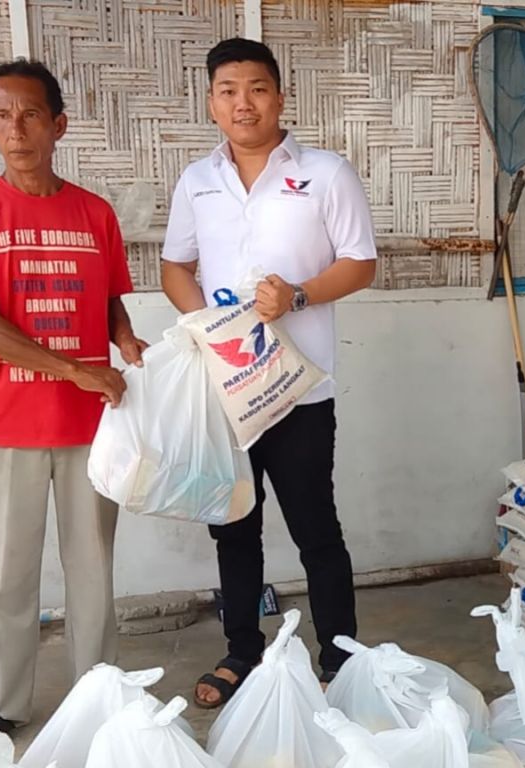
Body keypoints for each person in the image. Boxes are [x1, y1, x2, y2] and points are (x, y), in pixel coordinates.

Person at [0, 58, 147, 760]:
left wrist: (125, 342)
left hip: (93, 428)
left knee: (94, 570)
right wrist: (75, 369)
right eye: (3, 114)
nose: (16, 129)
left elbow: (108, 298)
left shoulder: (95, 213)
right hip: (7, 424)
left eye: (31, 114)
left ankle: (100, 691)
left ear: (59, 124)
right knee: (5, 576)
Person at [161, 37, 377, 708]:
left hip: (302, 388)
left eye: (255, 88)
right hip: (229, 391)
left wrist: (299, 296)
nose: (242, 102)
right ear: (211, 103)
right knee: (232, 524)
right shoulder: (198, 180)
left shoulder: (325, 173)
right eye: (227, 90)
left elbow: (361, 261)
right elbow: (175, 266)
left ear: (280, 96)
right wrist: (207, 326)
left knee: (316, 526)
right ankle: (241, 651)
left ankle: (339, 656)